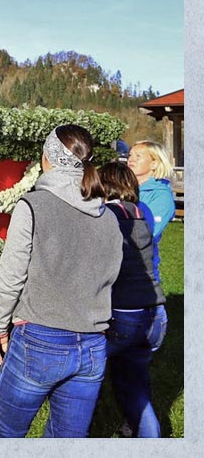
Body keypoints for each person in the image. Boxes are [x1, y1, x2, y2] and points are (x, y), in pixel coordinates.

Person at [0, 125, 123, 438]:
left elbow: (11, 276)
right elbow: (112, 276)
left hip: (39, 340)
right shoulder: (110, 217)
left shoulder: (32, 205)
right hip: (92, 346)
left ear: (46, 158)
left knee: (6, 436)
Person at [98, 162, 166, 438]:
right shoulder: (144, 211)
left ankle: (74, 431)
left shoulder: (106, 215)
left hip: (124, 313)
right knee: (135, 384)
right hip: (156, 313)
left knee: (81, 379)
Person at [127, 140, 176, 281]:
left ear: (154, 164)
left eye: (138, 156)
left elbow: (148, 233)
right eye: (130, 155)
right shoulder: (123, 188)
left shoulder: (161, 196)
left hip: (141, 269)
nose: (131, 160)